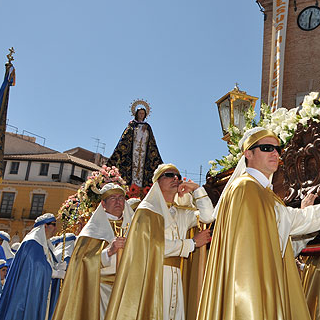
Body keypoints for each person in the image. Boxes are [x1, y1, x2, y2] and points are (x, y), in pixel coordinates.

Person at [196, 127, 320, 320]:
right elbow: (292, 223)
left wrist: (306, 214)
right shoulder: (246, 187)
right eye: (267, 148)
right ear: (248, 153)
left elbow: (280, 244)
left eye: (278, 149)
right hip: (248, 289)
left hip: (263, 283)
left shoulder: (265, 193)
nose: (275, 153)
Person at [104, 164, 213, 320]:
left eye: (178, 176)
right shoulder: (146, 211)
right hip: (152, 277)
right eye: (169, 175)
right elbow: (151, 246)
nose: (175, 178)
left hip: (176, 276)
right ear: (157, 182)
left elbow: (208, 216)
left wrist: (196, 189)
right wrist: (192, 244)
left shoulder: (181, 212)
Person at [52, 183, 134, 320]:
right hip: (100, 289)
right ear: (103, 204)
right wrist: (109, 252)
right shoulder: (92, 230)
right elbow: (81, 262)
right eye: (113, 198)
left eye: (121, 198)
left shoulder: (133, 226)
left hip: (128, 288)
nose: (118, 201)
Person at [0, 213, 66, 320]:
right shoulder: (32, 243)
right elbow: (37, 266)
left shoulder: (44, 244)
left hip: (38, 288)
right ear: (45, 226)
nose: (55, 228)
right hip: (26, 292)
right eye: (53, 225)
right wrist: (55, 273)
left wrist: (58, 267)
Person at [108, 102, 163, 188]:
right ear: (136, 114)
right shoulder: (132, 125)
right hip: (132, 151)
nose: (141, 115)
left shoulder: (148, 127)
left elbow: (152, 143)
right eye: (140, 113)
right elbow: (125, 139)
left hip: (143, 153)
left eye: (143, 114)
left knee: (141, 170)